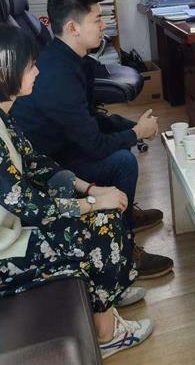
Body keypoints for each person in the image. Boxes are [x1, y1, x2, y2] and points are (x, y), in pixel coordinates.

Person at [0, 25, 153, 358]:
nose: (37, 72)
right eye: (30, 66)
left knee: (107, 216)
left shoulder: (5, 118)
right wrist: (93, 202)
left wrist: (89, 188)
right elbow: (33, 206)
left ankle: (109, 294)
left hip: (15, 231)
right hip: (6, 250)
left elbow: (38, 164)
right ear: (4, 73)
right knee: (100, 226)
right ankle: (108, 333)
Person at [12, 0, 173, 279]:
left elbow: (91, 118)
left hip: (64, 142)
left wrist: (133, 127)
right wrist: (137, 133)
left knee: (120, 140)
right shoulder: (59, 76)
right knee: (122, 161)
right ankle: (124, 251)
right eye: (97, 20)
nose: (104, 26)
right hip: (47, 164)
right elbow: (94, 144)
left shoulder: (72, 59)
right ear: (73, 27)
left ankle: (122, 214)